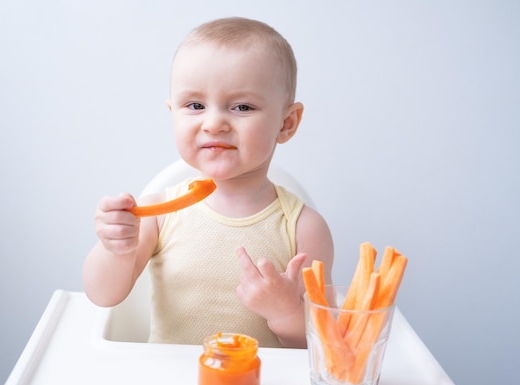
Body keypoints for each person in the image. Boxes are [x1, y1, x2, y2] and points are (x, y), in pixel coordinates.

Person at [83, 17, 334, 348]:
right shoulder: (156, 214)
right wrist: (116, 248)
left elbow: (322, 344)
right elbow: (102, 296)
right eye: (195, 105)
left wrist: (285, 313)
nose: (214, 123)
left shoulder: (304, 228)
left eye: (242, 107)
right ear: (173, 112)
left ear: (286, 123)